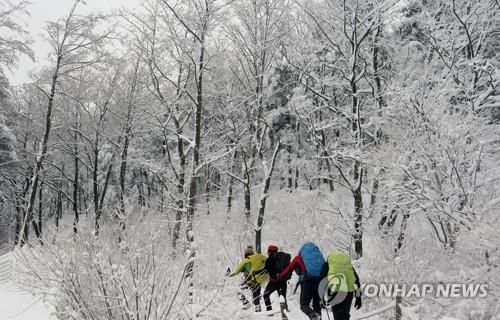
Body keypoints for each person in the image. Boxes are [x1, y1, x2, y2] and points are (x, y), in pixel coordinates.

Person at [279, 242, 325, 320]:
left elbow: (289, 268)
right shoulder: (319, 257)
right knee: (316, 304)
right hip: (319, 281)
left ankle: (314, 316)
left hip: (307, 282)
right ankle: (317, 317)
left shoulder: (298, 258)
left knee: (304, 305)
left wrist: (280, 276)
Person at [320, 251, 362, 320]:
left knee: (338, 316)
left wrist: (321, 298)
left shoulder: (328, 264)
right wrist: (358, 297)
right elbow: (356, 281)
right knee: (345, 315)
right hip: (348, 293)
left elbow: (321, 281)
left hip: (334, 292)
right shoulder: (347, 266)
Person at [228, 245, 269, 312]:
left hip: (250, 282)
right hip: (258, 281)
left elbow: (236, 272)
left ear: (245, 254)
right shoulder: (256, 261)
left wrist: (228, 275)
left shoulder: (245, 261)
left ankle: (246, 303)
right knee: (256, 298)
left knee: (238, 291)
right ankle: (258, 312)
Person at [263, 244, 291, 311]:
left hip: (273, 282)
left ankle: (269, 311)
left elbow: (265, 270)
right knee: (282, 298)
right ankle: (285, 314)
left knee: (266, 295)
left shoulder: (269, 259)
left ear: (269, 251)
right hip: (282, 281)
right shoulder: (282, 258)